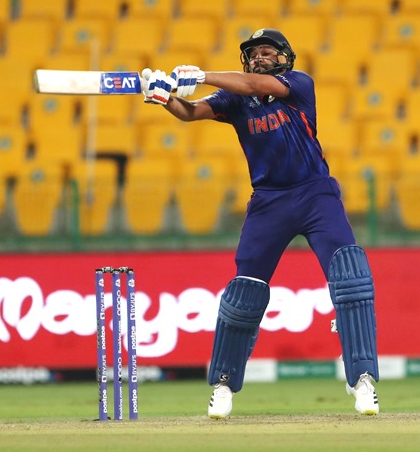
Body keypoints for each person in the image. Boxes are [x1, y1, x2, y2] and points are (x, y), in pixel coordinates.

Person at [141, 28, 380, 418]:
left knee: (351, 278)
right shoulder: (236, 99)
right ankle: (223, 386)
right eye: (253, 54)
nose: (259, 57)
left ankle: (362, 380)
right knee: (244, 294)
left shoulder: (298, 85)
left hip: (315, 194)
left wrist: (201, 75)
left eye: (267, 51)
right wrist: (164, 97)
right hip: (268, 202)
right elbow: (191, 112)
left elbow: (255, 84)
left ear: (284, 57)